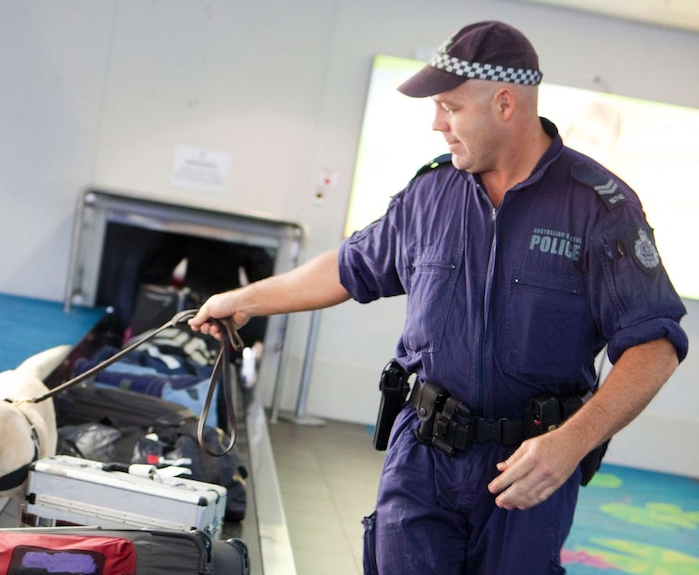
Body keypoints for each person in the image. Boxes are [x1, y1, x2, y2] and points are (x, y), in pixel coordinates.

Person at [189, 20, 688, 574]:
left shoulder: (599, 208)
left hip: (527, 469)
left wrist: (573, 443)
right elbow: (349, 267)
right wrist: (246, 299)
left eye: (449, 106)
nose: (436, 124)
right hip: (423, 458)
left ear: (504, 103)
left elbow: (655, 345)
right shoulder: (430, 193)